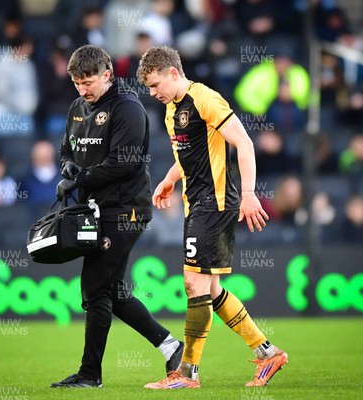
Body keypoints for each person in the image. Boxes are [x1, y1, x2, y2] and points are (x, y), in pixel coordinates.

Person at [137, 46, 288, 389]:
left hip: (216, 204)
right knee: (212, 290)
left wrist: (249, 196)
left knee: (194, 285)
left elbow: (244, 144)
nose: (152, 93)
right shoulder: (172, 109)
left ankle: (187, 374)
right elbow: (191, 154)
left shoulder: (205, 98)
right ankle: (268, 353)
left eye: (155, 84)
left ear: (173, 73)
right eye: (148, 88)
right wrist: (169, 180)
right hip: (196, 205)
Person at [50, 45, 183, 389]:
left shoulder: (128, 108)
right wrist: (67, 166)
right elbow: (66, 150)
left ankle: (90, 375)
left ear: (107, 74)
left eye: (88, 82)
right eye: (76, 83)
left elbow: (123, 163)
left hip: (126, 210)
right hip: (96, 210)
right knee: (112, 290)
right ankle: (170, 345)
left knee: (95, 290)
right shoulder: (78, 108)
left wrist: (77, 178)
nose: (82, 90)